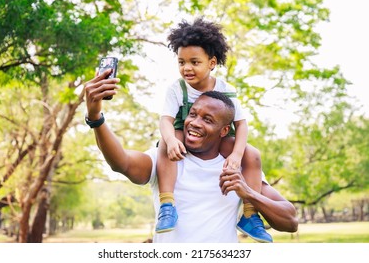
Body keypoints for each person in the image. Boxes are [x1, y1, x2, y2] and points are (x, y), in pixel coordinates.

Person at [84, 75, 298, 242]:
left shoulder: (238, 168)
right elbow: (122, 163)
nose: (194, 122)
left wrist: (249, 194)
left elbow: (291, 221)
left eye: (207, 119)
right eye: (193, 114)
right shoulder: (167, 158)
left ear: (224, 130)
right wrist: (95, 118)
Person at [155, 17, 271, 242]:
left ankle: (250, 213)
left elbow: (241, 125)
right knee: (164, 145)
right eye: (181, 62)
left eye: (194, 62)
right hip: (184, 133)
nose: (186, 68)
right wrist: (170, 140)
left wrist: (236, 155)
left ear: (211, 63)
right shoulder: (177, 89)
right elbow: (165, 120)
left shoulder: (226, 90)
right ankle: (167, 204)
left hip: (218, 137)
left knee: (253, 154)